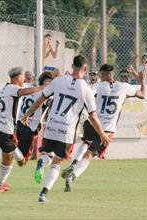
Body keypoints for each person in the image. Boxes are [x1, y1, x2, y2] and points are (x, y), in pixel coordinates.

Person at [21, 55, 111, 202]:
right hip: (67, 131)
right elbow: (93, 117)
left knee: (47, 155)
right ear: (85, 68)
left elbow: (40, 100)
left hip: (51, 126)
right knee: (57, 162)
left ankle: (42, 162)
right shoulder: (86, 89)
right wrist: (102, 134)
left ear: (72, 65)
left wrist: (26, 114)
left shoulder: (58, 81)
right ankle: (43, 193)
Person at [61, 64, 146, 192]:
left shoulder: (98, 86)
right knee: (89, 155)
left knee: (86, 141)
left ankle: (74, 164)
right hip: (106, 131)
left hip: (92, 124)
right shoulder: (124, 87)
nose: (99, 77)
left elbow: (85, 94)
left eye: (100, 75)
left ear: (104, 75)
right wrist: (142, 80)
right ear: (112, 74)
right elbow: (142, 94)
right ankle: (72, 176)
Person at [16, 71, 55, 162]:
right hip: (30, 126)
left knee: (24, 153)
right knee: (22, 158)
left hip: (20, 123)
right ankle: (11, 149)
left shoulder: (29, 89)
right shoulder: (45, 94)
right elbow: (48, 102)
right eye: (48, 83)